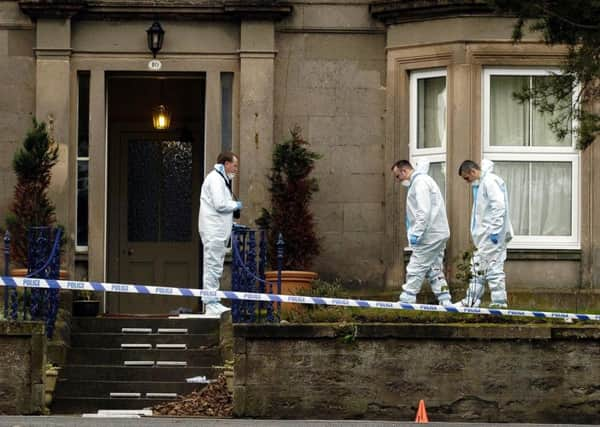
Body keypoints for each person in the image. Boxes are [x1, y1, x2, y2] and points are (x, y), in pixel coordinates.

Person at [392, 159, 452, 306]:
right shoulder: (424, 181)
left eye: (398, 176)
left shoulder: (420, 183)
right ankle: (445, 300)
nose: (398, 180)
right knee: (434, 268)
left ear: (404, 171)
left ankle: (407, 298)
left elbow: (423, 211)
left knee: (416, 266)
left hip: (429, 235)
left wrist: (416, 233)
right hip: (437, 232)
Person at [455, 159, 513, 309]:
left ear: (473, 172)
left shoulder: (489, 182)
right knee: (479, 269)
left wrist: (495, 231)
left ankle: (499, 303)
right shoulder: (483, 184)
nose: (467, 182)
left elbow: (499, 206)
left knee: (492, 268)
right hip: (486, 237)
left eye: (467, 178)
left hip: (492, 236)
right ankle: (472, 301)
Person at [198, 151, 243, 316]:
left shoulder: (220, 180)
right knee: (213, 267)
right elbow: (220, 204)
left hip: (217, 231)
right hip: (214, 231)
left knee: (214, 267)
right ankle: (211, 304)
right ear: (226, 164)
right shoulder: (216, 180)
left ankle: (213, 301)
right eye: (235, 165)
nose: (236, 169)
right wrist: (236, 205)